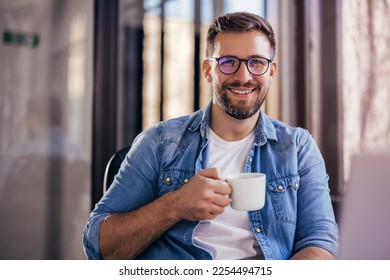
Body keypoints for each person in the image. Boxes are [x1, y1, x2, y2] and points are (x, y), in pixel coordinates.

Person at [83, 12, 339, 260]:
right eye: (228, 62)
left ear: (271, 72)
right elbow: (98, 244)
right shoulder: (159, 143)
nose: (243, 77)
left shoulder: (297, 147)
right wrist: (175, 205)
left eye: (257, 62)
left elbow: (320, 242)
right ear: (208, 70)